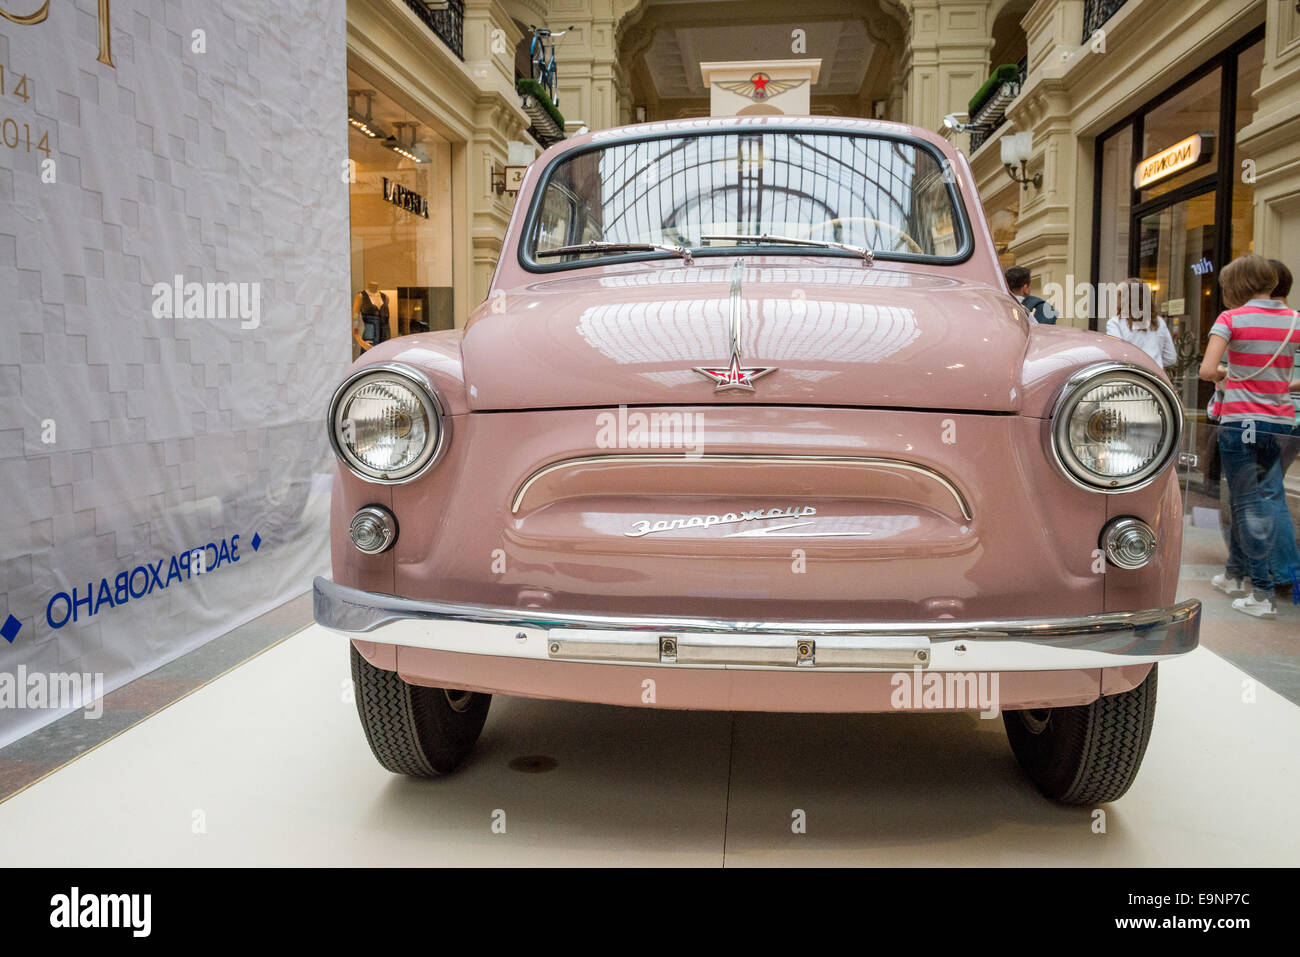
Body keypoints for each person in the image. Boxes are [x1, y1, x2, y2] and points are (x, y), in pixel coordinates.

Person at [1200, 254, 1300, 618]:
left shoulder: (1231, 319)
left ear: (1236, 285)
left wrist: (1232, 374)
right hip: (1282, 423)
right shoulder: (1294, 320)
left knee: (1245, 505)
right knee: (1256, 498)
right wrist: (1279, 383)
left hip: (1241, 422)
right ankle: (1233, 574)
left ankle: (1261, 593)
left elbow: (1208, 370)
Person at [1264, 259, 1300, 597]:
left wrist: (1277, 384)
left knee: (1269, 492)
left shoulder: (1286, 323)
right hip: (1286, 421)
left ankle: (1287, 572)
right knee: (1265, 491)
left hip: (1277, 419)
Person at [1105, 277, 1176, 370]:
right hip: (1156, 378)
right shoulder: (1159, 322)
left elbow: (1116, 355)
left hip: (1131, 377)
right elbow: (1170, 358)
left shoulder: (1115, 323)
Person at [352, 281, 391, 355]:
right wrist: (358, 339)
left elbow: (387, 321)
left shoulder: (385, 297)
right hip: (370, 339)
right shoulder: (361, 297)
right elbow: (355, 318)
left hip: (385, 339)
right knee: (370, 362)